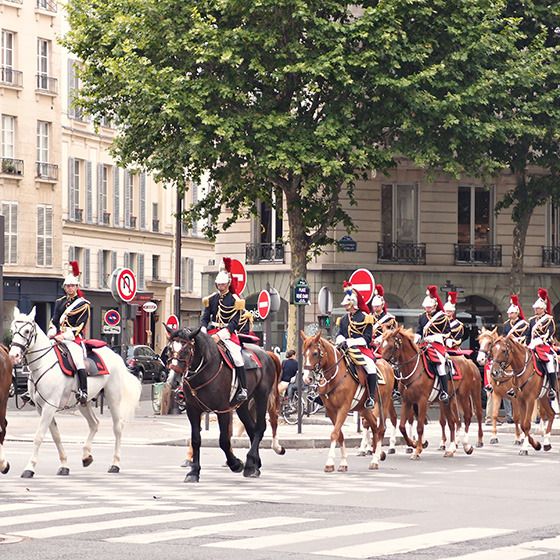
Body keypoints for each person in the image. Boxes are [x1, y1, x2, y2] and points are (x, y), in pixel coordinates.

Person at [200, 257, 248, 401]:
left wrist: (221, 335)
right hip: (211, 331)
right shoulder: (212, 299)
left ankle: (243, 389)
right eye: (218, 285)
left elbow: (235, 322)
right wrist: (203, 329)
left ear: (228, 284)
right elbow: (206, 316)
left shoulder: (235, 300)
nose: (220, 287)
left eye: (223, 285)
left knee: (238, 358)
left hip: (227, 334)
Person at [49, 261, 91, 405]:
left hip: (73, 339)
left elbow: (80, 326)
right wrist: (52, 331)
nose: (70, 288)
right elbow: (54, 321)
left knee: (78, 359)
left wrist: (64, 335)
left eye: (72, 286)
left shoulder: (83, 304)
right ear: (65, 287)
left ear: (76, 287)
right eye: (68, 286)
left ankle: (83, 391)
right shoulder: (60, 302)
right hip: (58, 337)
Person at [335, 282, 377, 409]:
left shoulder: (366, 317)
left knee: (371, 367)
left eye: (347, 305)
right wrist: (340, 338)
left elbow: (368, 338)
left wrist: (352, 341)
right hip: (345, 349)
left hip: (361, 349)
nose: (345, 307)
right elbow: (340, 333)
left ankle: (371, 397)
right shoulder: (343, 319)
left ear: (353, 303)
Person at [414, 285, 451, 404]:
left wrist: (434, 337)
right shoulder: (422, 317)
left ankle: (444, 392)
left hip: (437, 345)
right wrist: (416, 338)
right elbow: (419, 330)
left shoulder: (443, 317)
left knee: (440, 365)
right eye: (426, 307)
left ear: (434, 305)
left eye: (429, 307)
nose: (427, 309)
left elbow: (447, 333)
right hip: (424, 344)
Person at [528, 288, 557, 399]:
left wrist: (541, 339)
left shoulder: (549, 320)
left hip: (544, 345)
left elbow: (550, 333)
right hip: (532, 345)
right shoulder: (531, 321)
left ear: (543, 309)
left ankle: (553, 389)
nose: (536, 310)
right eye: (535, 308)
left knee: (549, 362)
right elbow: (528, 335)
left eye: (538, 308)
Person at [370, 284, 398, 348]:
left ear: (382, 305)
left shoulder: (389, 319)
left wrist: (381, 338)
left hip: (382, 344)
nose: (375, 308)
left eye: (377, 306)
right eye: (374, 306)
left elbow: (392, 333)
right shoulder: (369, 317)